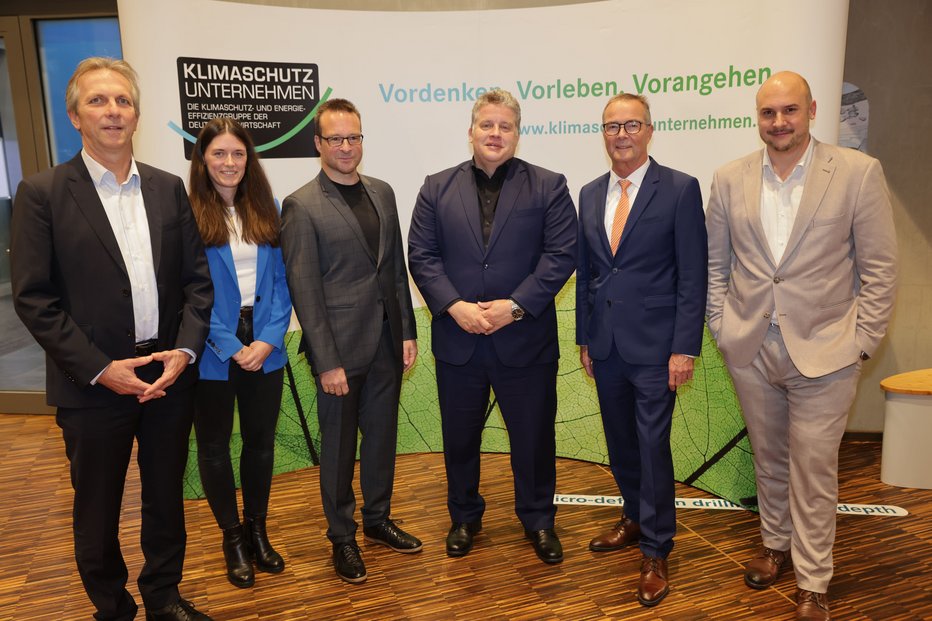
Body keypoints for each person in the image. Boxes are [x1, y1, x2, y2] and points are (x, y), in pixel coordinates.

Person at [11, 57, 213, 621]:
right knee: (97, 511)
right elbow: (34, 298)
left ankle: (164, 598)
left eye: (123, 101)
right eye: (98, 101)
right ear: (75, 116)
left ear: (137, 115)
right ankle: (113, 609)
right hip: (93, 385)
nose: (113, 111)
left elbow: (198, 283)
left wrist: (185, 351)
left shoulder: (168, 188)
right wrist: (102, 368)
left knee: (166, 499)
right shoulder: (42, 193)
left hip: (167, 376)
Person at [706, 71, 897, 621]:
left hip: (827, 352)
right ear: (758, 117)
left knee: (813, 470)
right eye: (768, 112)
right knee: (769, 459)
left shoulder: (857, 172)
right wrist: (722, 327)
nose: (779, 122)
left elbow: (880, 269)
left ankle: (814, 581)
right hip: (750, 347)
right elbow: (716, 266)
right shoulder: (729, 178)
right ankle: (775, 544)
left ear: (811, 110)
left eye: (790, 110)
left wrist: (861, 343)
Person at [408, 89, 577, 564]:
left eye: (505, 126)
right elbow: (421, 255)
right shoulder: (436, 187)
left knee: (534, 439)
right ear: (471, 131)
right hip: (459, 339)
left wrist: (515, 307)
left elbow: (562, 254)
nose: (495, 134)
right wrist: (454, 306)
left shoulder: (549, 186)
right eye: (487, 125)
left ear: (517, 134)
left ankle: (539, 520)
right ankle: (464, 517)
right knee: (460, 438)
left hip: (525, 340)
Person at [280, 98, 421, 584]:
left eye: (354, 137)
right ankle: (342, 536)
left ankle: (378, 519)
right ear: (318, 144)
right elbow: (304, 290)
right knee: (339, 449)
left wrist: (407, 331)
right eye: (336, 138)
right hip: (338, 353)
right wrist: (326, 361)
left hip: (386, 344)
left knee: (381, 439)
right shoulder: (301, 205)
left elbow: (395, 271)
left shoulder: (382, 192)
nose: (346, 146)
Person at [576, 93, 707, 607]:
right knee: (620, 443)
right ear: (603, 134)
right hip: (606, 345)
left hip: (657, 348)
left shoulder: (679, 188)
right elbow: (589, 273)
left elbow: (692, 276)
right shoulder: (589, 193)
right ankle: (633, 518)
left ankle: (656, 549)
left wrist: (684, 348)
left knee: (652, 447)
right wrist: (585, 338)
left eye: (631, 125)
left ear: (650, 130)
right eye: (612, 126)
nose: (622, 135)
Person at [187, 117, 292, 589]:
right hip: (212, 347)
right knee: (213, 446)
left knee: (260, 442)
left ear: (249, 159)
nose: (229, 162)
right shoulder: (187, 213)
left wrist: (268, 339)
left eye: (238, 153)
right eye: (219, 153)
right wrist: (231, 346)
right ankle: (231, 538)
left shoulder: (268, 207)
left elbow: (284, 281)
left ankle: (257, 531)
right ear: (203, 159)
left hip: (265, 343)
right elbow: (188, 292)